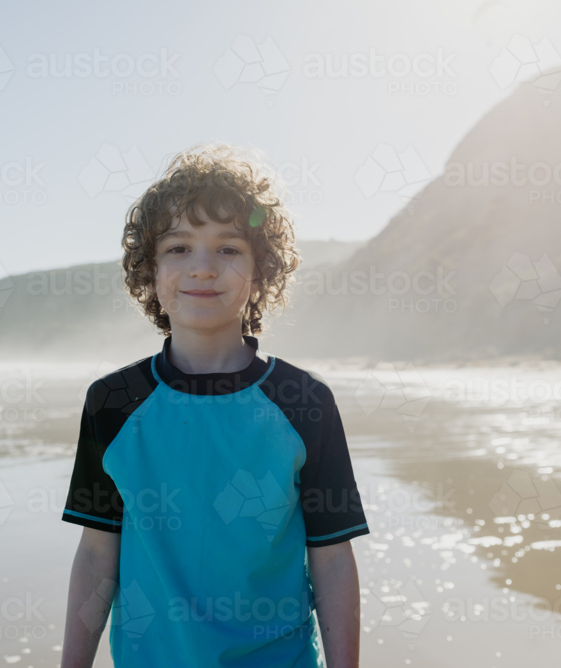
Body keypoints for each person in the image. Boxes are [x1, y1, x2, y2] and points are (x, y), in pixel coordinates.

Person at [60, 143, 370, 667]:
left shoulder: (303, 402)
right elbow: (96, 553)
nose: (202, 268)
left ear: (260, 273)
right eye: (178, 248)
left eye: (228, 249)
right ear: (150, 273)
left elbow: (333, 555)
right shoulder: (113, 402)